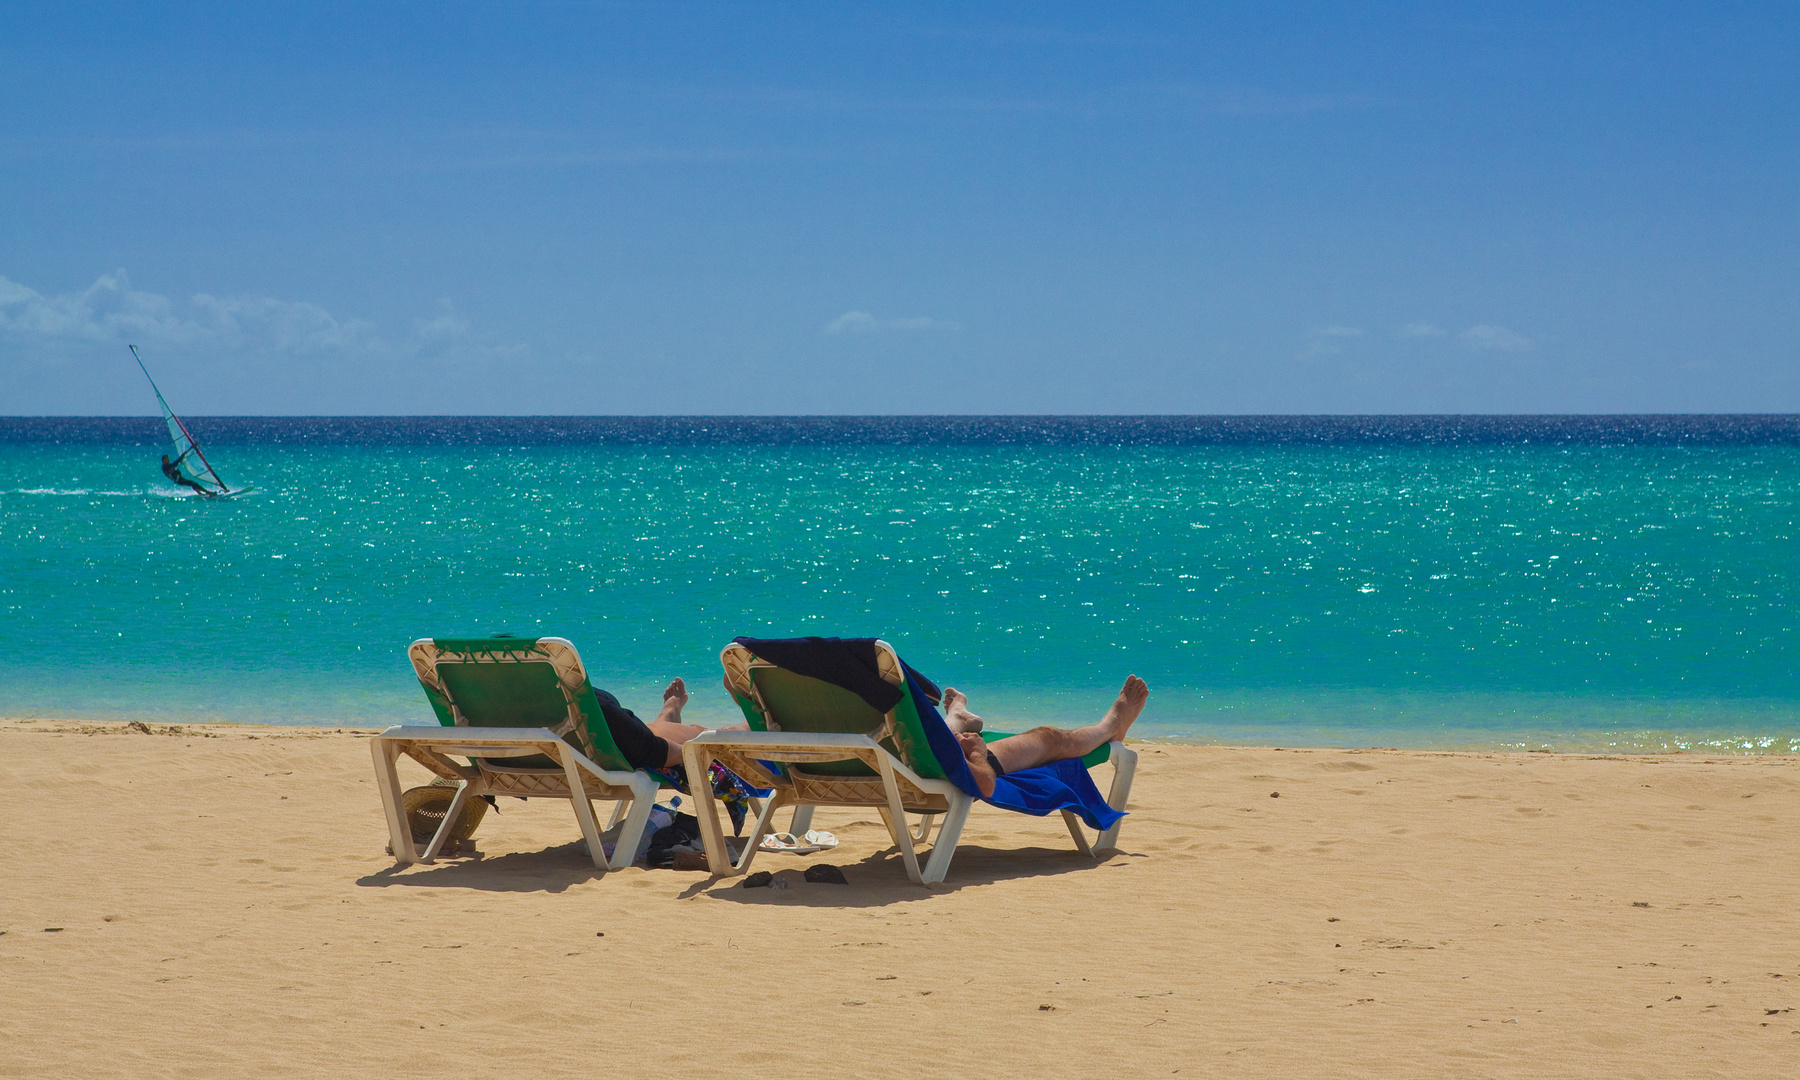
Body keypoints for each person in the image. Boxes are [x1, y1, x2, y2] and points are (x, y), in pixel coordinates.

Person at [939, 675, 1149, 798]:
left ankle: (957, 718)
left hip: (929, 755)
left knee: (932, 737)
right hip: (949, 764)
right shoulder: (904, 682)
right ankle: (1111, 727)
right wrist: (977, 752)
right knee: (1049, 737)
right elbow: (984, 784)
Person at [592, 676, 747, 771]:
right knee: (700, 736)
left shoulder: (570, 700)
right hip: (627, 750)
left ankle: (666, 717)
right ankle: (744, 729)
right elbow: (649, 750)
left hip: (584, 752)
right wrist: (701, 749)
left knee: (640, 731)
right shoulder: (587, 700)